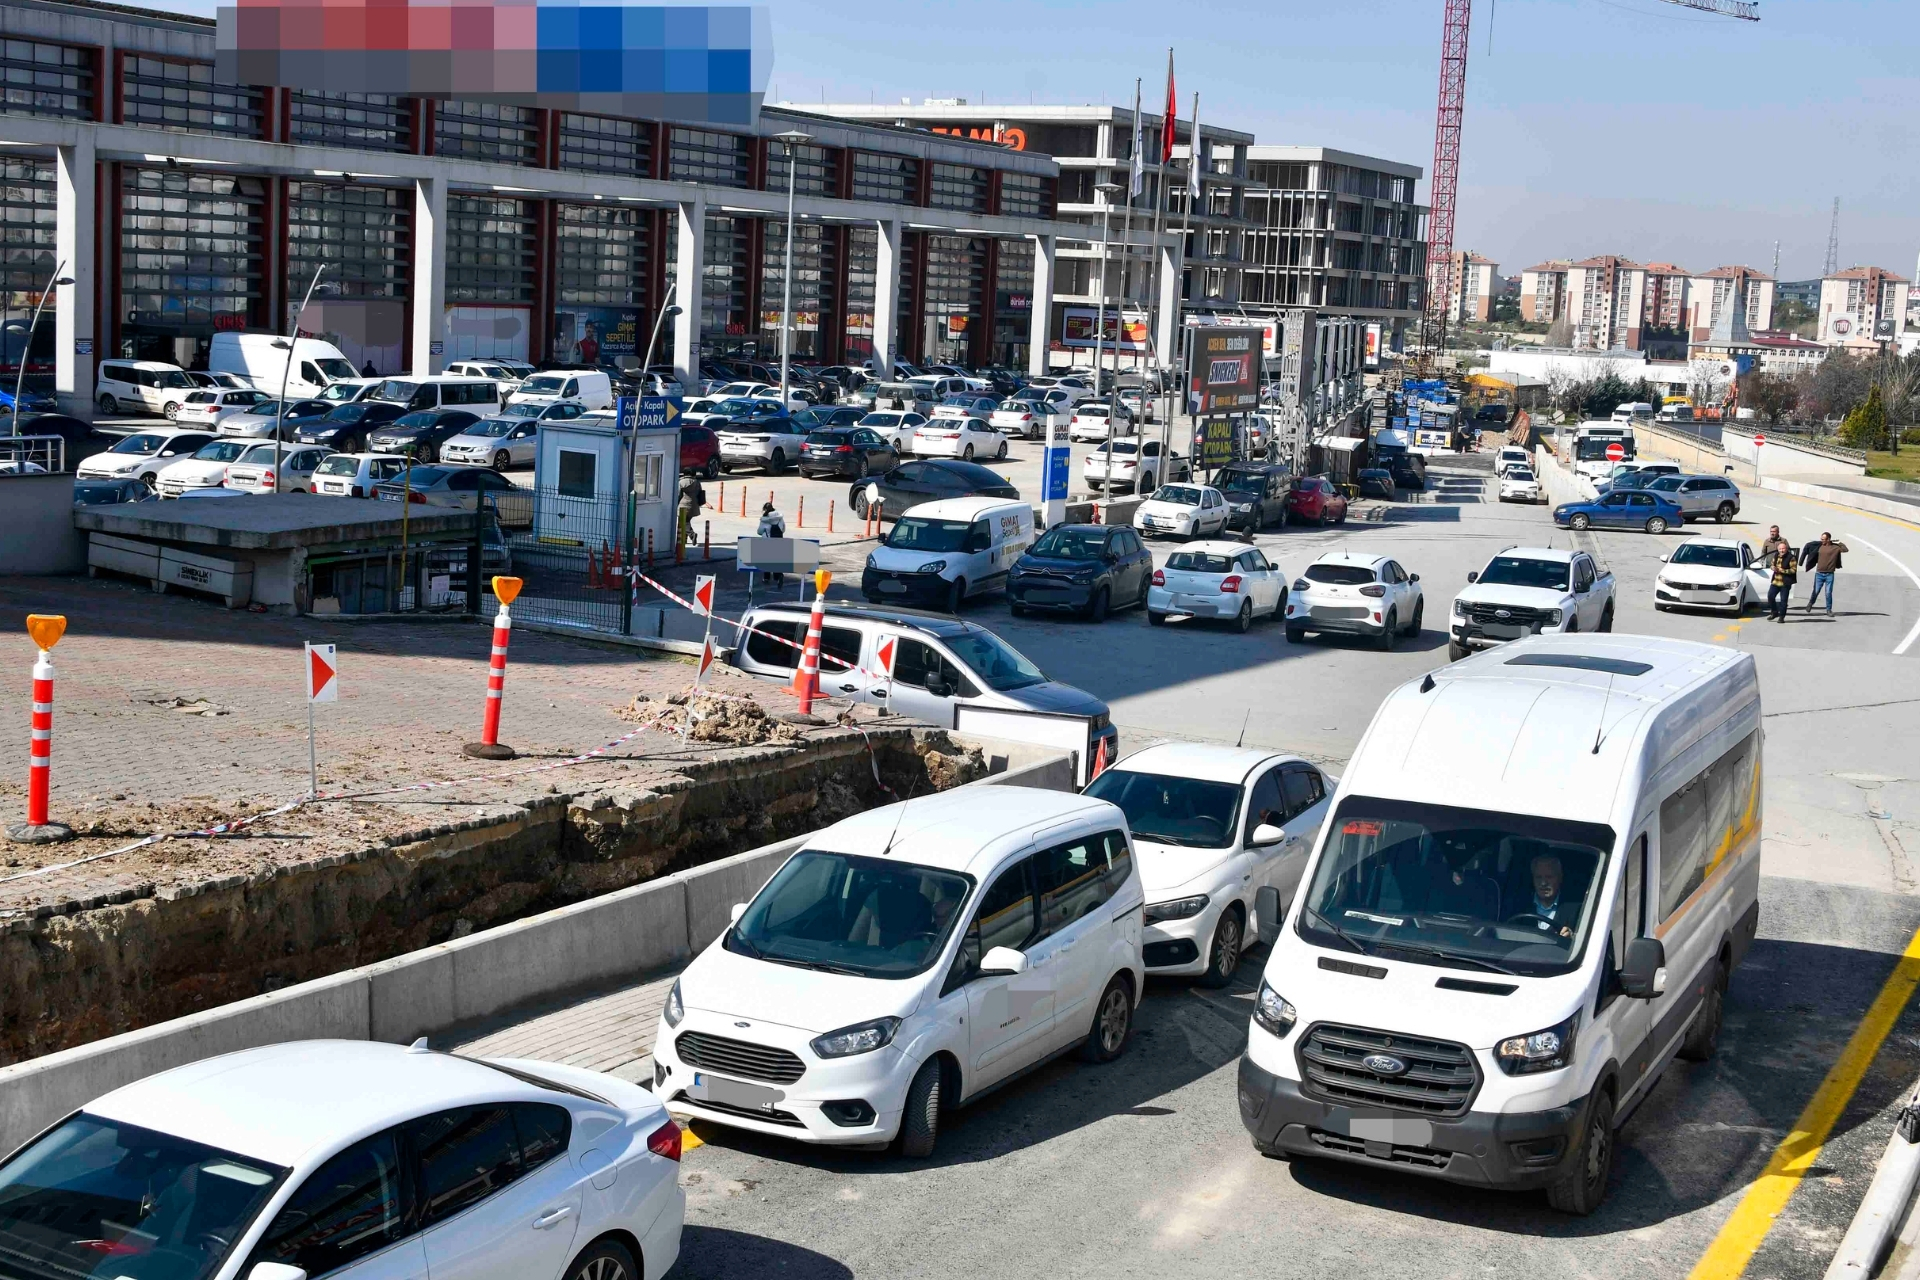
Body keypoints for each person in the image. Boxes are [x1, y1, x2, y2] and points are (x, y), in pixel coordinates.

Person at [1520, 853, 1573, 938]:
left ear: (1560, 878)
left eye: (1549, 877)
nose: (1543, 883)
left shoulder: (1574, 908)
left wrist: (1572, 937)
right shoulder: (1519, 906)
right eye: (1538, 877)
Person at [1803, 532, 1848, 616]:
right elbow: (1810, 550)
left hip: (1830, 574)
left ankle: (1829, 610)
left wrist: (1839, 543)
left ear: (1828, 539)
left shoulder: (1835, 548)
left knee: (1828, 593)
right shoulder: (1819, 546)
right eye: (1821, 539)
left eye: (1823, 539)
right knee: (1816, 591)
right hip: (1819, 574)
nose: (1822, 540)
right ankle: (1810, 603)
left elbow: (1845, 549)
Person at [1757, 534, 1797, 622]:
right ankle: (1774, 612)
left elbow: (1793, 570)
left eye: (1783, 549)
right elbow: (1772, 564)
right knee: (1770, 596)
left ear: (1786, 549)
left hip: (1785, 583)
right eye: (1780, 549)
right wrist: (1772, 568)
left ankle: (1782, 617)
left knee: (1783, 601)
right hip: (1775, 581)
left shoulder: (1791, 558)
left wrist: (1781, 570)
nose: (1782, 550)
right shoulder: (1776, 556)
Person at [675, 468, 706, 555]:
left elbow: (678, 495)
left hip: (683, 505)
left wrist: (675, 505)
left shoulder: (681, 482)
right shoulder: (697, 483)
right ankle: (684, 540)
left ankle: (691, 535)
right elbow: (700, 493)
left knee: (682, 523)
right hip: (694, 505)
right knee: (687, 521)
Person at [758, 501, 787, 586]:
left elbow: (759, 531)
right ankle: (778, 576)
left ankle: (766, 578)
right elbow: (783, 529)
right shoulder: (780, 518)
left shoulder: (764, 519)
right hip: (778, 542)